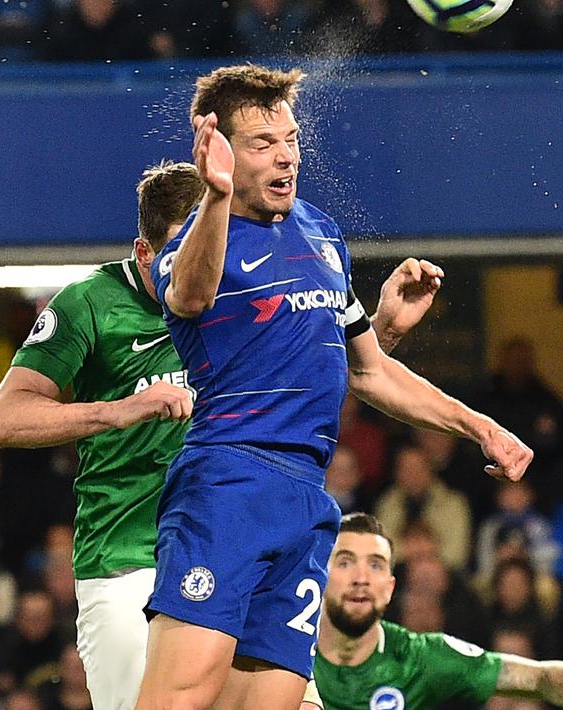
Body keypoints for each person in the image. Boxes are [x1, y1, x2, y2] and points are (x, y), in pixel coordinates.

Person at [138, 63, 533, 709]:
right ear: (217, 147)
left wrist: (481, 428)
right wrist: (211, 196)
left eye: (289, 139)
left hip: (306, 499)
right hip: (228, 488)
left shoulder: (320, 234)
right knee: (177, 701)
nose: (285, 156)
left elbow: (370, 370)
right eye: (262, 144)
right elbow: (188, 295)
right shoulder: (193, 241)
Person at [0, 159, 443, 710]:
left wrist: (380, 333)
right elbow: (3, 419)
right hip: (133, 559)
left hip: (238, 544)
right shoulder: (91, 304)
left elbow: (304, 399)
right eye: (180, 252)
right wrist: (122, 409)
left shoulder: (245, 286)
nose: (199, 266)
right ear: (144, 253)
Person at [314, 513, 563, 709]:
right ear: (319, 575)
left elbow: (541, 678)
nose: (361, 578)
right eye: (344, 562)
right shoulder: (279, 654)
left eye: (375, 565)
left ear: (390, 587)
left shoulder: (421, 658)